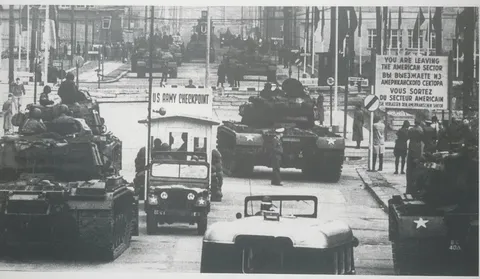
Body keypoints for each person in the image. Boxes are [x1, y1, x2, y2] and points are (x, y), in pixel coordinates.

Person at [406, 119, 424, 194]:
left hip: (411, 148)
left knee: (409, 169)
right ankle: (415, 188)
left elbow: (407, 137)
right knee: (416, 169)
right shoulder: (421, 130)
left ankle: (409, 189)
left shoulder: (411, 130)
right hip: (418, 149)